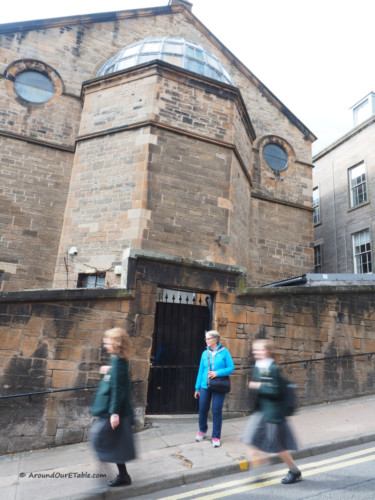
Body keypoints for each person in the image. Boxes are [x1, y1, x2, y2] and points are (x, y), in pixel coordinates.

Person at [242, 338, 302, 484]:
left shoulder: (274, 369)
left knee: (278, 447)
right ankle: (260, 472)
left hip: (274, 413)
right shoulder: (257, 367)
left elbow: (276, 392)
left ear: (268, 351)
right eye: (255, 349)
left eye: (260, 349)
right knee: (250, 439)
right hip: (261, 412)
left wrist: (258, 386)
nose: (255, 351)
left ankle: (294, 471)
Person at [89, 327, 136, 488]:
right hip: (113, 411)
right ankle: (123, 476)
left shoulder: (118, 361)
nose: (105, 342)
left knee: (97, 439)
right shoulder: (116, 359)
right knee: (115, 443)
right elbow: (117, 380)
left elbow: (118, 389)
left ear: (116, 342)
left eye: (108, 340)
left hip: (115, 412)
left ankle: (104, 478)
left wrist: (114, 413)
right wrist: (107, 370)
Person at [194, 330, 234, 447]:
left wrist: (217, 373)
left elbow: (231, 368)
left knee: (216, 411)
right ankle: (202, 430)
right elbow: (201, 371)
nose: (206, 341)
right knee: (203, 409)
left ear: (216, 339)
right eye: (205, 339)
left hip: (219, 386)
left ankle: (216, 436)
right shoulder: (204, 353)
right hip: (204, 386)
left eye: (209, 339)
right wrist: (197, 388)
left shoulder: (224, 352)